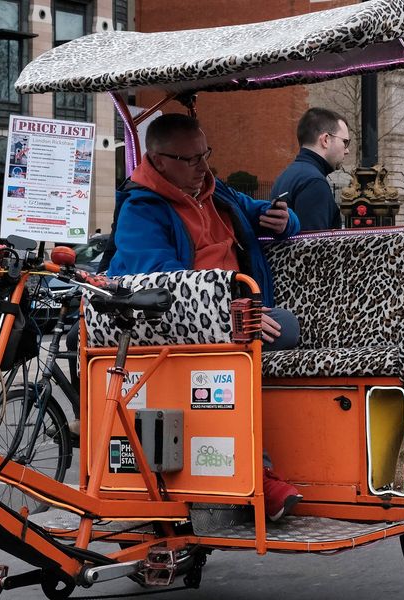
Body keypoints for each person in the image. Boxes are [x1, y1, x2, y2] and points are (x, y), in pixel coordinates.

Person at [103, 113, 304, 518]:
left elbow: (265, 210)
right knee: (273, 335)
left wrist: (283, 220)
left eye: (205, 155)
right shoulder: (141, 210)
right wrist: (231, 308)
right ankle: (256, 474)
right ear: (157, 160)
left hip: (236, 308)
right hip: (185, 322)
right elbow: (164, 281)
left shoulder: (216, 191)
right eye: (190, 159)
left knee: (287, 327)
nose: (203, 167)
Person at [270, 108, 349, 231]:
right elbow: (314, 247)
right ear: (326, 140)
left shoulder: (285, 176)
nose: (347, 150)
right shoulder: (314, 182)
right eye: (345, 142)